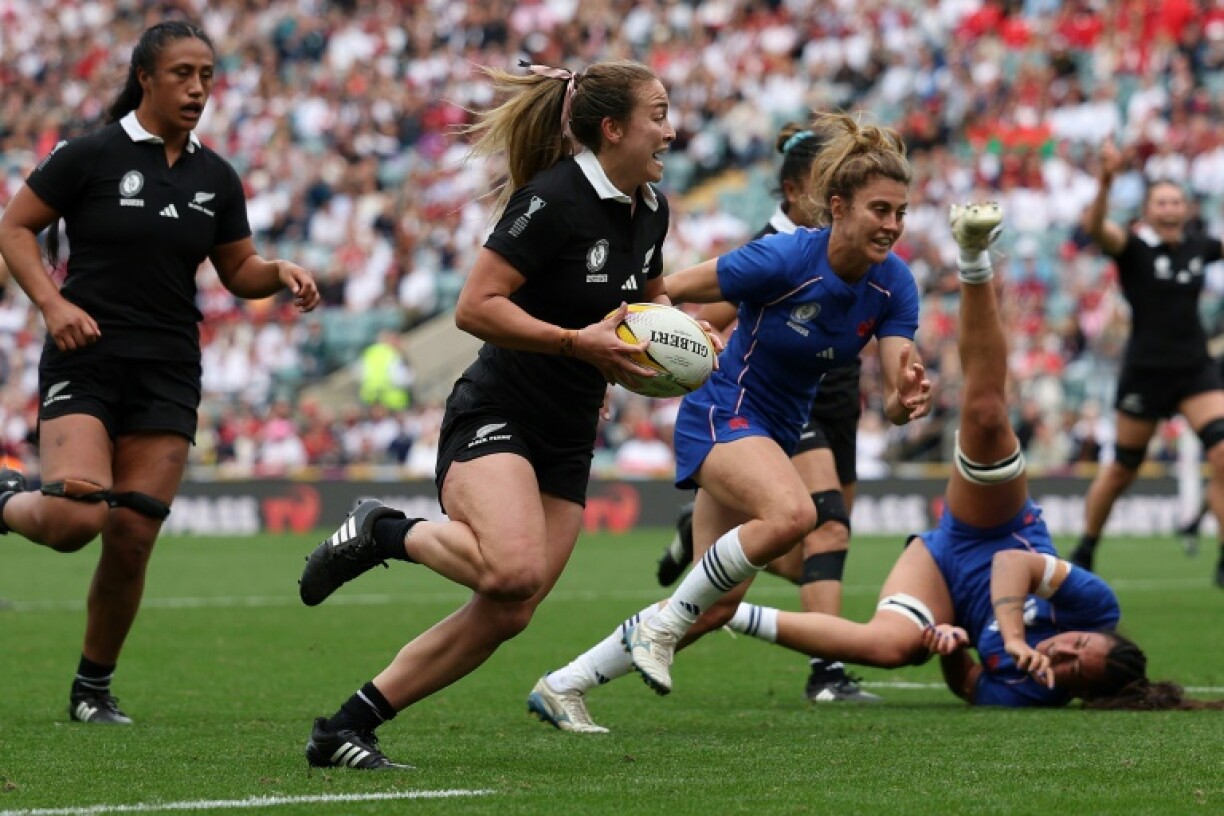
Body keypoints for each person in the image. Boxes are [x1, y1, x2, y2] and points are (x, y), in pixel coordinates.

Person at [294, 59, 705, 769]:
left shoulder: (651, 207)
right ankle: (382, 529)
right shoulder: (551, 199)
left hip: (570, 431)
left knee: (511, 608)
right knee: (512, 573)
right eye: (659, 115)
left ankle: (344, 728)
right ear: (612, 128)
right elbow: (475, 307)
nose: (672, 130)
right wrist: (579, 342)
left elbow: (649, 298)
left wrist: (689, 336)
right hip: (498, 412)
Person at [721, 203, 1224, 710]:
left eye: (1073, 670)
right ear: (1099, 633)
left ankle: (727, 615)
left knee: (892, 647)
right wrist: (1011, 639)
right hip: (996, 529)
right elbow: (1013, 563)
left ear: (1078, 693)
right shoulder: (1097, 608)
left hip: (938, 570)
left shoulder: (1031, 692)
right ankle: (974, 256)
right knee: (986, 415)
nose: (1065, 651)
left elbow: (965, 684)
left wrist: (950, 646)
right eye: (1080, 645)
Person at [526, 111, 931, 733]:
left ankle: (563, 685)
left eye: (901, 213)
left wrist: (908, 396)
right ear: (840, 205)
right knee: (797, 515)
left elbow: (898, 394)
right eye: (881, 210)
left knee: (713, 606)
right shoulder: (784, 257)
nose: (893, 226)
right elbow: (662, 291)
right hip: (723, 410)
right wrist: (648, 348)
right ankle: (659, 628)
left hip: (773, 431)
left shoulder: (895, 286)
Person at [0, 20, 320, 725]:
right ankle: (6, 499)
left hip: (170, 369)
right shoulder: (89, 155)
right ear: (145, 77)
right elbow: (14, 226)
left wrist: (277, 272)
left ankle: (92, 689)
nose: (198, 88)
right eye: (182, 73)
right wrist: (52, 306)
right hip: (87, 358)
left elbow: (237, 270)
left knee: (134, 535)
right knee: (75, 517)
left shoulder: (216, 177)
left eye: (206, 74)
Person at [653, 122, 877, 703]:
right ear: (796, 188)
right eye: (826, 180)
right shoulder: (772, 248)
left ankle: (707, 532)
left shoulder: (854, 253)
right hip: (774, 403)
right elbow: (711, 315)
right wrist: (705, 344)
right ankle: (826, 671)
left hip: (836, 397)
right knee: (823, 523)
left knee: (816, 555)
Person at [1067, 140, 1224, 590]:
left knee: (1222, 452)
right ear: (1149, 209)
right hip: (1146, 373)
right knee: (1121, 471)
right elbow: (1096, 228)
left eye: (1177, 201)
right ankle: (1087, 546)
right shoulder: (1133, 247)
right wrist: (1106, 180)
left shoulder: (1199, 246)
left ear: (1187, 207)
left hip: (1195, 369)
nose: (1171, 208)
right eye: (1162, 201)